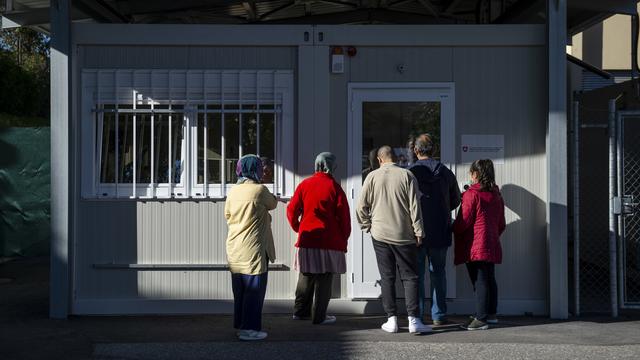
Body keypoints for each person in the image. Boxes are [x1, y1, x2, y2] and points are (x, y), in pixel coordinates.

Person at [356, 145, 431, 334]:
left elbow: (361, 207)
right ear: (395, 158)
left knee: (387, 277)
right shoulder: (407, 176)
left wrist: (367, 226)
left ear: (380, 160)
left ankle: (392, 320)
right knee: (410, 277)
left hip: (380, 234)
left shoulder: (372, 177)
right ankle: (414, 320)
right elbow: (415, 207)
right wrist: (419, 232)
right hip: (404, 235)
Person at [286, 152, 351, 325]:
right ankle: (319, 316)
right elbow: (344, 218)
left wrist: (298, 228)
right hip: (329, 241)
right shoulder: (335, 187)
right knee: (325, 278)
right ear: (331, 166)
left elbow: (291, 210)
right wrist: (344, 238)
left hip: (308, 239)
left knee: (305, 275)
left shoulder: (304, 185)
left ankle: (300, 312)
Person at [409, 134, 461, 326]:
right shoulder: (445, 172)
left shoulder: (410, 173)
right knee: (438, 273)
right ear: (434, 151)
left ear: (416, 150)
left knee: (418, 275)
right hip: (441, 230)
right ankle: (438, 315)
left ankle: (418, 315)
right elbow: (456, 199)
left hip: (417, 232)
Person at [225, 154, 278, 341]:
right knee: (254, 290)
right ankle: (250, 329)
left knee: (240, 289)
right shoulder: (259, 190)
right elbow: (273, 204)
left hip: (235, 246)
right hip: (253, 247)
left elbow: (228, 214)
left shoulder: (233, 191)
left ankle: (241, 325)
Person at [453, 159, 506, 330]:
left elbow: (464, 221)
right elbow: (501, 223)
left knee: (479, 281)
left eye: (470, 172)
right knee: (489, 278)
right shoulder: (496, 194)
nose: (469, 175)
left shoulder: (472, 194)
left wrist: (451, 227)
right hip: (491, 241)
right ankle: (490, 314)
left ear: (475, 174)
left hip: (475, 243)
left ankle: (481, 319)